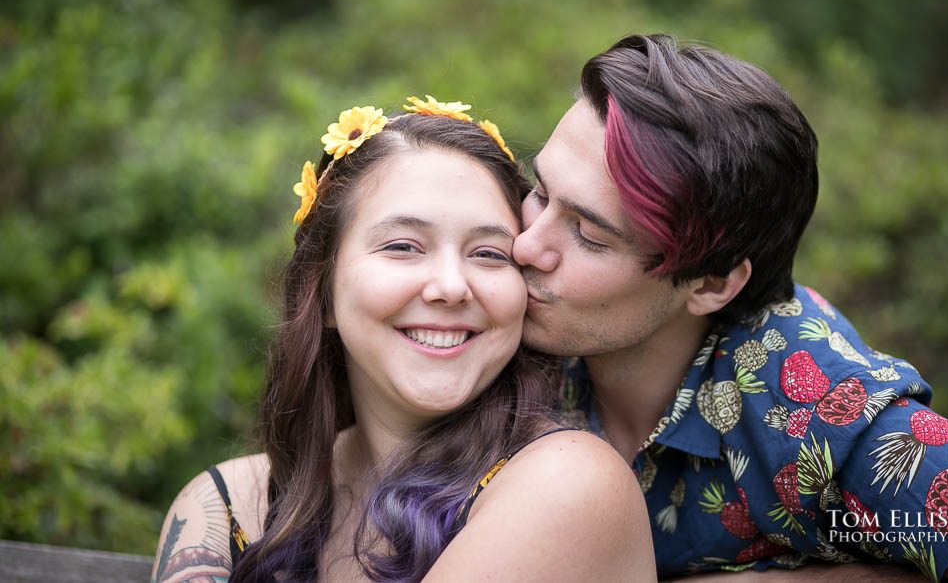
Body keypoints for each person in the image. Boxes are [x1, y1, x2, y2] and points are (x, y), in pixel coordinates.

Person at [512, 34, 948, 581]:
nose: (525, 246)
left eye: (587, 234)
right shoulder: (497, 316)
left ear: (711, 283)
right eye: (538, 189)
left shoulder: (808, 400)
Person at [151, 98, 656, 583]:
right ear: (323, 291)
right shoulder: (229, 504)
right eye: (403, 247)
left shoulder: (566, 483)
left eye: (488, 254)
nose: (451, 287)